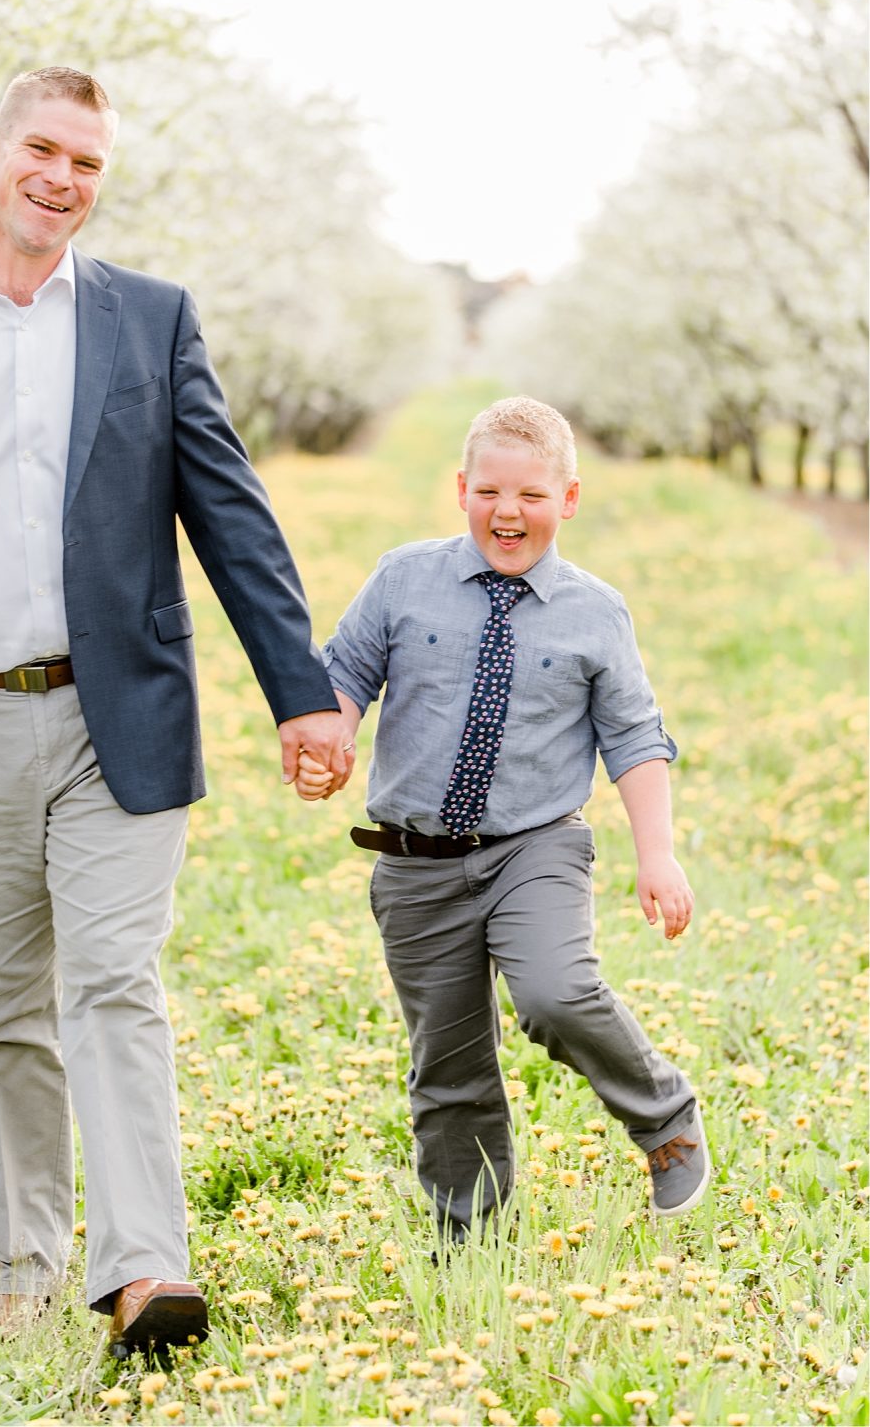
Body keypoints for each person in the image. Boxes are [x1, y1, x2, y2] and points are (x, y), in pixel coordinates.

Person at [0, 66, 352, 1352]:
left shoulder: (149, 319)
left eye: (89, 163)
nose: (62, 179)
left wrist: (301, 693)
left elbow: (230, 513)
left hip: (121, 714)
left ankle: (147, 1269)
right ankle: (21, 1264)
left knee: (111, 982)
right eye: (42, 150)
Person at [296, 395, 710, 1240]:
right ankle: (469, 1234)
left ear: (567, 499)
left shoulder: (595, 610)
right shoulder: (402, 577)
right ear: (459, 489)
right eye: (489, 492)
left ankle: (663, 1118)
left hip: (536, 846)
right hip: (413, 861)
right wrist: (330, 735)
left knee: (556, 993)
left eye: (528, 495)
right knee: (446, 1065)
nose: (506, 513)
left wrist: (656, 855)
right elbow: (344, 671)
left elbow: (633, 737)